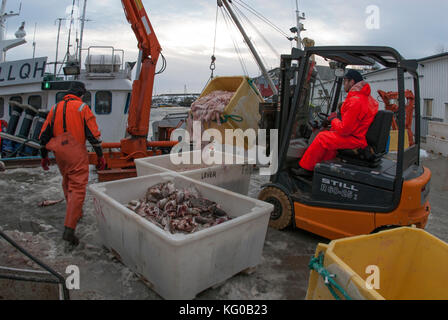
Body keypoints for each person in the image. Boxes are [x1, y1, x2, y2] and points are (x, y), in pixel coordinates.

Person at [39, 82, 106, 245]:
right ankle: (69, 229)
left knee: (67, 182)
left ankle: (76, 213)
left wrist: (44, 157)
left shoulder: (55, 109)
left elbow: (43, 136)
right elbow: (94, 137)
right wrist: (100, 156)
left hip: (59, 152)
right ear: (81, 95)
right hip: (76, 151)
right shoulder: (82, 108)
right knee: (77, 188)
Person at [293, 69, 378, 177]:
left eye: (345, 81)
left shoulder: (355, 101)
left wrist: (333, 120)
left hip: (355, 139)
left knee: (322, 137)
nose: (344, 84)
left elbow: (344, 130)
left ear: (352, 82)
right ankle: (324, 169)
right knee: (331, 136)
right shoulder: (368, 99)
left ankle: (306, 169)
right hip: (359, 136)